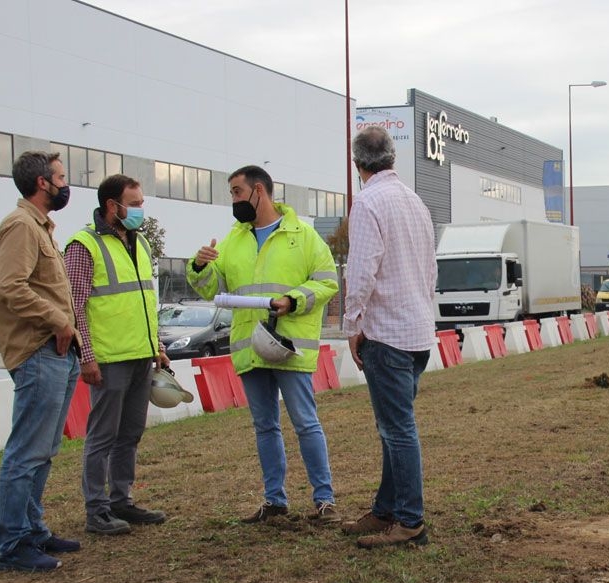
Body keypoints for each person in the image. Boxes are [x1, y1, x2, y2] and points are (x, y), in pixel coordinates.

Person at [187, 165, 341, 525]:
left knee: (305, 422)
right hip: (249, 348)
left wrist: (293, 300)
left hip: (289, 345)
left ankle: (325, 499)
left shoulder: (302, 236)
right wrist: (198, 266)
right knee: (265, 426)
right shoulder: (233, 240)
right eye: (232, 194)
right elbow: (212, 289)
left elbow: (327, 283)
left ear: (260, 191)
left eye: (237, 192)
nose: (234, 200)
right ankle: (275, 501)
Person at [341, 126, 437, 548]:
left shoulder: (368, 203)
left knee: (397, 430)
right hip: (417, 332)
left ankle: (410, 520)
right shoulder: (415, 202)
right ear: (392, 157)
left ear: (357, 162)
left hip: (387, 333)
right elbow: (430, 269)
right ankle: (385, 509)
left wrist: (353, 324)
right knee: (393, 428)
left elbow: (361, 270)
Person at [0, 150, 82, 572]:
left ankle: (33, 530)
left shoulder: (42, 228)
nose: (66, 184)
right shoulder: (20, 226)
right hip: (37, 351)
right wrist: (59, 321)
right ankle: (12, 545)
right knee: (25, 453)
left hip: (59, 351)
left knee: (43, 450)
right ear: (42, 182)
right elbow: (10, 287)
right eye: (61, 177)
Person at [65, 174, 170, 536]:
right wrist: (87, 357)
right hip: (108, 360)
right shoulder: (83, 245)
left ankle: (120, 500)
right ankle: (97, 510)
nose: (141, 210)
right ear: (113, 206)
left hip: (140, 355)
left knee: (130, 434)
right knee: (101, 437)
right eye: (135, 203)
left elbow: (145, 299)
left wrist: (157, 345)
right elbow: (74, 307)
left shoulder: (139, 244)